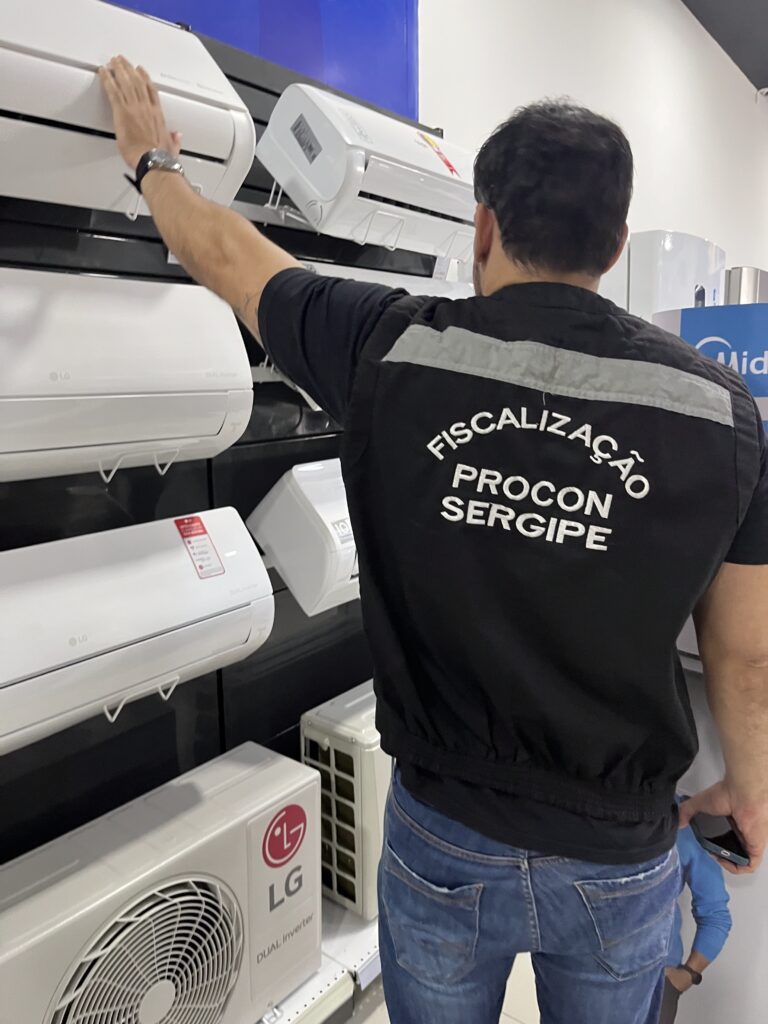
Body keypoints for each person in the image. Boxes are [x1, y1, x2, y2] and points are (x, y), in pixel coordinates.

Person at [99, 58, 768, 1024]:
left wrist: (153, 161)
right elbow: (744, 655)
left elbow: (234, 259)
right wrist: (750, 791)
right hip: (617, 854)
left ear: (482, 226)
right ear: (617, 243)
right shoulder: (722, 411)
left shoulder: (391, 345)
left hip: (444, 832)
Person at [660, 800, 732, 1023]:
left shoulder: (685, 818)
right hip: (574, 980)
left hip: (654, 988)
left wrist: (687, 975)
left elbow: (715, 915)